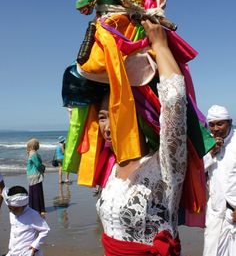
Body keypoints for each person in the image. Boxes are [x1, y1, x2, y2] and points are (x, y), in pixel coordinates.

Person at [95, 20, 187, 256]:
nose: (105, 126)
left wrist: (160, 45)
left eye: (114, 113)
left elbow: (174, 102)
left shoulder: (165, 166)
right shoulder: (112, 169)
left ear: (142, 116)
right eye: (102, 117)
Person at [203, 105, 236, 256]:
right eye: (211, 124)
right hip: (215, 213)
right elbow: (197, 172)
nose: (215, 129)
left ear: (229, 122)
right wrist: (211, 152)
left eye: (220, 123)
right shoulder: (206, 143)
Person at [2, 185, 50, 256]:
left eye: (15, 209)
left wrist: (35, 246)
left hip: (28, 252)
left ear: (25, 205)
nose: (12, 211)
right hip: (13, 250)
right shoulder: (12, 213)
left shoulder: (32, 214)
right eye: (10, 208)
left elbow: (45, 230)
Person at [26, 138, 46, 215]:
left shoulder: (30, 153)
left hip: (31, 174)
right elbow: (37, 164)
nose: (39, 145)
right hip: (35, 174)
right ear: (35, 145)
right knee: (37, 191)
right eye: (38, 144)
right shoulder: (34, 153)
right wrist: (43, 167)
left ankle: (33, 207)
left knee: (33, 191)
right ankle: (39, 209)